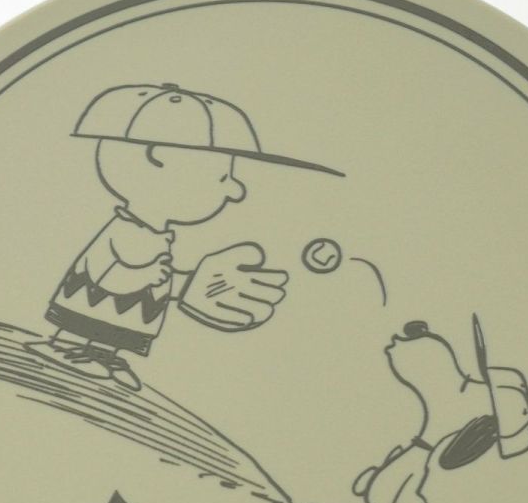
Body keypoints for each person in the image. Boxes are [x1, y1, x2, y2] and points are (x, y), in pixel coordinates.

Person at [31, 82, 342, 391]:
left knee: (115, 328)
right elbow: (111, 273)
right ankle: (70, 346)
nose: (235, 191)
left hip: (126, 309)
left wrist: (190, 285)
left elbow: (153, 276)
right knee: (91, 323)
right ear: (158, 156)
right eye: (223, 176)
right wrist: (152, 276)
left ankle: (104, 354)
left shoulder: (155, 234)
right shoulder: (128, 230)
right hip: (97, 302)